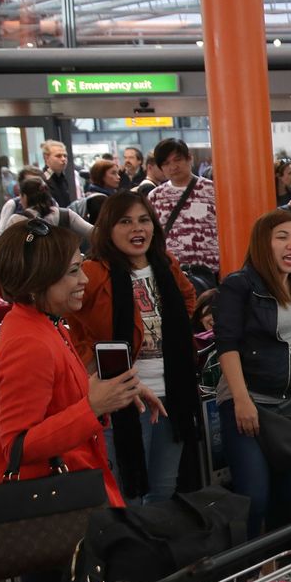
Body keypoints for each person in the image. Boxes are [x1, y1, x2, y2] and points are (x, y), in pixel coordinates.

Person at [0, 219, 160, 582]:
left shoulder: (43, 324)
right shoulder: (29, 341)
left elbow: (56, 398)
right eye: (73, 271)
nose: (84, 279)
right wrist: (92, 407)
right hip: (50, 515)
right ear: (37, 281)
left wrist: (114, 391)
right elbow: (18, 445)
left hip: (65, 504)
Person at [66, 192, 200, 503]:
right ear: (108, 228)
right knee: (126, 491)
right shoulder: (94, 271)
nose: (137, 228)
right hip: (122, 398)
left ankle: (154, 536)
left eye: (143, 220)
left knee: (164, 489)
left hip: (172, 393)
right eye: (125, 222)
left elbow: (188, 298)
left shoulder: (166, 264)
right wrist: (91, 359)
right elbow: (71, 321)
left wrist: (175, 330)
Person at [215, 211, 291, 537]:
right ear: (262, 244)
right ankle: (251, 564)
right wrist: (241, 400)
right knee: (254, 498)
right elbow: (227, 345)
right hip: (249, 402)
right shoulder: (239, 285)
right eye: (282, 237)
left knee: (286, 495)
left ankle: (282, 561)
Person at [147, 138, 220, 277]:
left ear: (189, 158)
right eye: (166, 163)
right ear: (160, 168)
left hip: (210, 272)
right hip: (171, 273)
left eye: (177, 160)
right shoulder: (155, 196)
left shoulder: (212, 190)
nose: (173, 167)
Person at [0, 176, 95, 245]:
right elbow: (93, 233)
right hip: (62, 268)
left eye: (20, 196)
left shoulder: (16, 220)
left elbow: (4, 248)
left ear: (25, 197)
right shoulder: (66, 214)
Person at [41, 139, 75, 208]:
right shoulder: (42, 180)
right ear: (46, 158)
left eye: (65, 156)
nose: (63, 159)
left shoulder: (62, 178)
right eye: (58, 156)